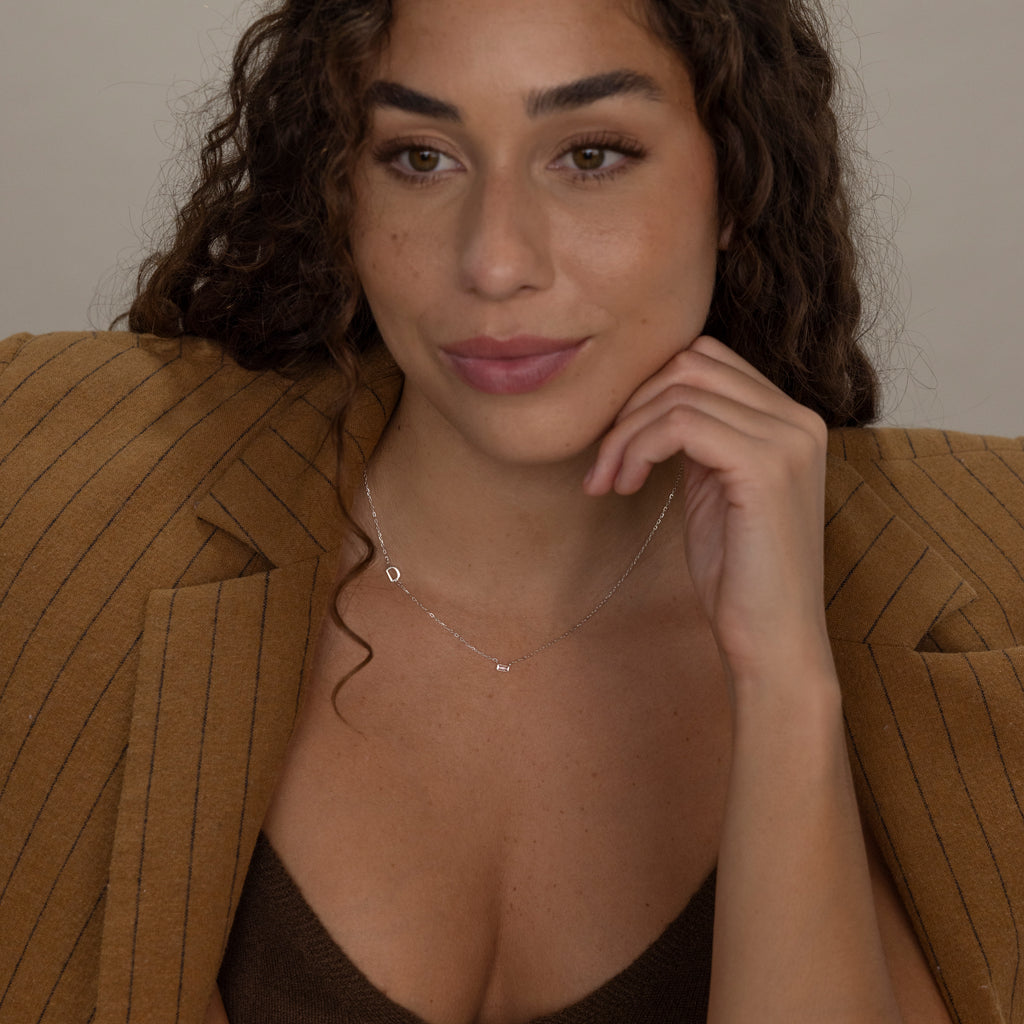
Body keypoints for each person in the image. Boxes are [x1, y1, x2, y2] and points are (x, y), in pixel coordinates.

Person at [1, 0, 1022, 1022]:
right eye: (418, 157)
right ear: (339, 185)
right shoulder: (46, 479)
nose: (493, 261)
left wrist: (788, 678)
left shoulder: (981, 586)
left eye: (589, 154)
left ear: (735, 184)